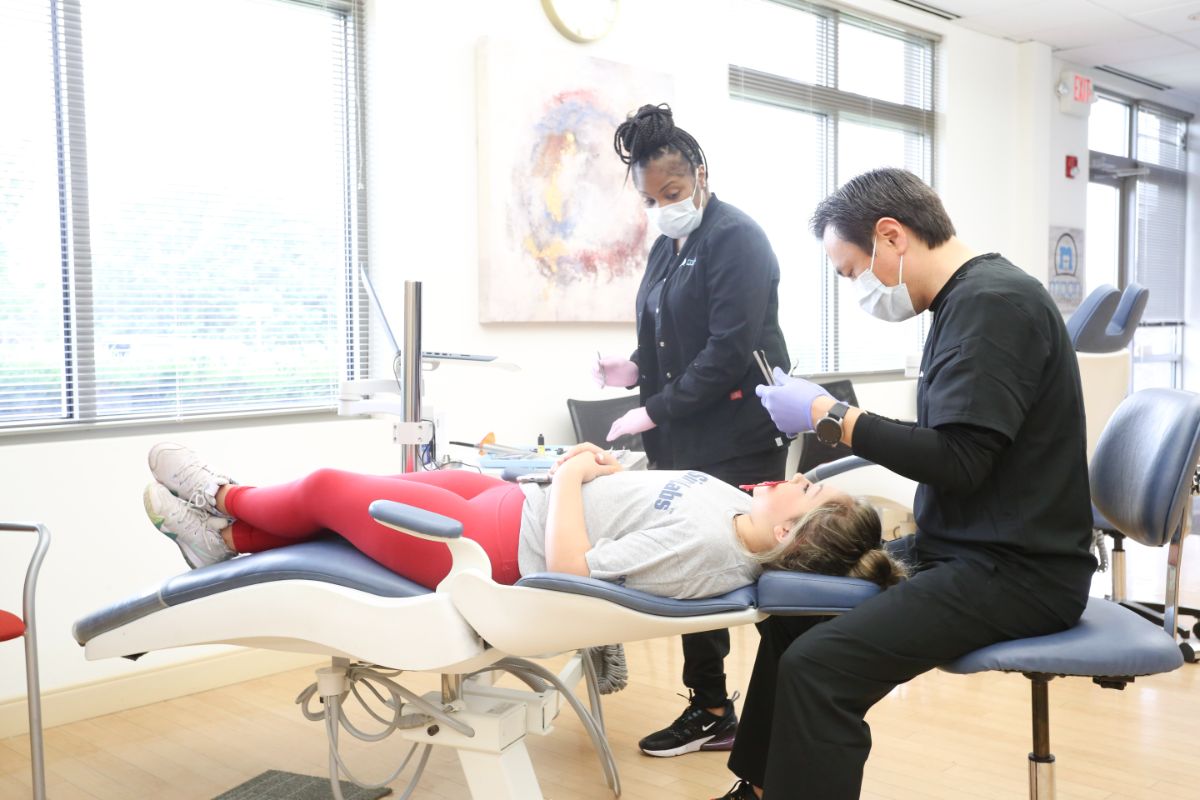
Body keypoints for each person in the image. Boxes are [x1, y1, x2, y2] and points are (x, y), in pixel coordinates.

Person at [710, 168, 1096, 800]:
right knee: (791, 618)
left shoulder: (993, 305)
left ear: (891, 236)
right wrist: (831, 418)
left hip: (1021, 572)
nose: (859, 287)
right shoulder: (964, 303)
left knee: (820, 670)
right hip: (964, 550)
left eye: (851, 269)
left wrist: (828, 417)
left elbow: (960, 460)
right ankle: (757, 789)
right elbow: (958, 445)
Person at [594, 102, 792, 757]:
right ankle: (711, 708)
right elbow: (667, 336)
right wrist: (632, 370)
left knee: (751, 574)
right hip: (684, 439)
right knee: (692, 567)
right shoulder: (666, 244)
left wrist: (653, 408)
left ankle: (791, 702)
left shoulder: (739, 239)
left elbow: (727, 350)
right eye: (652, 198)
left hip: (737, 435)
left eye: (673, 193)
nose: (663, 206)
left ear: (702, 176)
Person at [143, 441, 905, 601]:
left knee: (329, 488)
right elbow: (637, 499)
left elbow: (569, 571)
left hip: (495, 547)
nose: (799, 477)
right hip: (513, 502)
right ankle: (231, 544)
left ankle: (224, 502)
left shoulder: (709, 553)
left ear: (784, 536)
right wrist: (595, 465)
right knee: (358, 498)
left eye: (805, 494)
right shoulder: (734, 509)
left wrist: (571, 477)